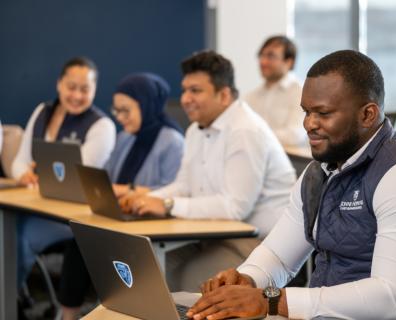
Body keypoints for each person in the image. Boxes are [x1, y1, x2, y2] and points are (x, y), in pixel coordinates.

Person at [187, 50, 396, 320]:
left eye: (323, 113)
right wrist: (248, 279)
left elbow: (393, 300)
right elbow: (278, 256)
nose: (309, 124)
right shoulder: (318, 173)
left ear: (367, 115)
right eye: (306, 112)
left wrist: (271, 301)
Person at [121, 51, 296, 292]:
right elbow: (184, 186)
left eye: (195, 91)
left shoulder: (245, 131)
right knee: (145, 270)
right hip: (211, 234)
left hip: (257, 244)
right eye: (184, 90)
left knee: (189, 284)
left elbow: (235, 208)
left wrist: (169, 205)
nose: (185, 99)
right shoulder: (195, 129)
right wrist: (149, 199)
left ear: (224, 95)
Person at [57, 72, 185, 320]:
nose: (120, 118)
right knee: (80, 241)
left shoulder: (172, 142)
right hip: (121, 217)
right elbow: (109, 179)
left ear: (147, 105)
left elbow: (176, 189)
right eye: (117, 111)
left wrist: (129, 191)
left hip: (153, 225)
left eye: (126, 111)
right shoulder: (126, 137)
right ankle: (69, 315)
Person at [13, 57, 116, 290]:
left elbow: (80, 177)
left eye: (85, 89)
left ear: (95, 90)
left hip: (72, 217)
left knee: (16, 239)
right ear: (59, 84)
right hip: (34, 206)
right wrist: (24, 175)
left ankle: (12, 299)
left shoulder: (102, 126)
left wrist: (38, 172)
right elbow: (20, 160)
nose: (77, 96)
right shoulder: (42, 111)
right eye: (71, 87)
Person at [244, 35, 306, 147]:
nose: (263, 62)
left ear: (289, 62)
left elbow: (295, 136)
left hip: (292, 161)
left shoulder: (301, 92)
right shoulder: (252, 96)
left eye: (270, 56)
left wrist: (256, 135)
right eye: (261, 56)